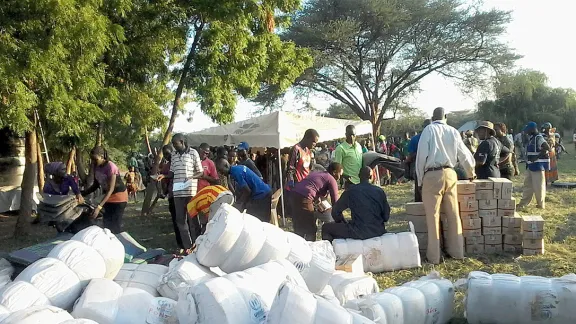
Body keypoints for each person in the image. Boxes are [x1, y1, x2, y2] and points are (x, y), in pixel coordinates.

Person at [415, 107, 475, 265]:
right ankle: (457, 252)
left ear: (432, 117)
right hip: (450, 173)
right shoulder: (454, 131)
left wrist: (420, 181)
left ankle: (434, 257)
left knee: (433, 217)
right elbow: (464, 154)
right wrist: (470, 172)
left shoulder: (429, 130)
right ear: (446, 117)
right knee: (453, 215)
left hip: (432, 174)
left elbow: (421, 157)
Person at [157, 134, 203, 254]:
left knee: (193, 219)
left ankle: (197, 243)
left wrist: (191, 177)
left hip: (190, 191)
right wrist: (164, 176)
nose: (173, 145)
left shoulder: (193, 153)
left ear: (182, 142)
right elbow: (172, 173)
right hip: (177, 191)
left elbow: (200, 172)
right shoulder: (174, 155)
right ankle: (187, 247)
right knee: (180, 220)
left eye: (175, 143)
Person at [321, 167, 390, 242]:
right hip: (378, 230)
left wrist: (343, 222)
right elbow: (386, 216)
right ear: (371, 177)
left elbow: (335, 212)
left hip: (358, 231)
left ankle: (331, 252)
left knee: (326, 228)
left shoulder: (351, 191)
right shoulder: (379, 191)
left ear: (359, 176)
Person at [81, 146, 128, 234]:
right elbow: (96, 185)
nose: (93, 162)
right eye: (92, 159)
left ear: (102, 156)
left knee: (115, 226)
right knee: (107, 226)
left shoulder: (111, 167)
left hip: (119, 198)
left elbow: (111, 189)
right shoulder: (96, 166)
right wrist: (82, 193)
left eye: (95, 159)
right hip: (108, 198)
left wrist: (99, 207)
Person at [290, 162, 343, 241]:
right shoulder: (331, 179)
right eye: (340, 174)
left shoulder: (318, 174)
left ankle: (296, 248)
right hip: (305, 197)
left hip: (293, 194)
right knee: (310, 229)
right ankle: (310, 249)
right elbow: (335, 202)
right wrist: (341, 220)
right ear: (334, 172)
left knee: (299, 226)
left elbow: (313, 188)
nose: (340, 177)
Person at [518, 122, 550, 209]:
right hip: (531, 165)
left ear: (532, 129)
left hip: (538, 165)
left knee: (538, 186)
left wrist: (537, 157)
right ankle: (524, 203)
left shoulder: (539, 138)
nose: (526, 132)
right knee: (527, 185)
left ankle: (540, 204)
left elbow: (547, 147)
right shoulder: (532, 138)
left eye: (528, 130)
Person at [406, 119, 431, 202]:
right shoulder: (436, 138)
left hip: (418, 166)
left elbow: (410, 155)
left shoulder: (415, 139)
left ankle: (419, 206)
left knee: (419, 188)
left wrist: (406, 162)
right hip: (432, 167)